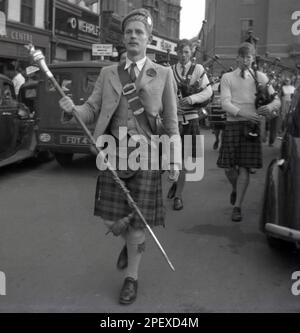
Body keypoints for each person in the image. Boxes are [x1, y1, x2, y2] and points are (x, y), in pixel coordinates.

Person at [59, 8, 181, 305]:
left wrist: (175, 160)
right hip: (113, 154)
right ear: (123, 39)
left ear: (149, 39)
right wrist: (72, 109)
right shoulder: (107, 73)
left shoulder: (163, 74)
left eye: (139, 32)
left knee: (138, 227)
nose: (133, 36)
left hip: (148, 156)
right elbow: (91, 110)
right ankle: (129, 241)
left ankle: (131, 278)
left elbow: (171, 124)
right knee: (112, 221)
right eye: (128, 32)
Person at [217, 42, 280, 222]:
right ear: (237, 58)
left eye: (249, 57)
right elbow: (225, 103)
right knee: (228, 168)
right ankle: (236, 189)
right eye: (242, 57)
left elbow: (277, 102)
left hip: (251, 127)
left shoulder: (261, 77)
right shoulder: (227, 77)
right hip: (233, 124)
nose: (245, 60)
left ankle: (237, 206)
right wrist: (244, 113)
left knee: (244, 167)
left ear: (253, 59)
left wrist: (269, 106)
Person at [167, 39, 213, 210]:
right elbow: (163, 94)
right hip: (173, 121)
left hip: (191, 119)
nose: (183, 55)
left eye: (186, 52)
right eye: (180, 52)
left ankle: (178, 196)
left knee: (186, 161)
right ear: (176, 53)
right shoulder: (169, 71)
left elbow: (208, 91)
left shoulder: (198, 69)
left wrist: (191, 99)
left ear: (191, 53)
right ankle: (177, 185)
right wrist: (171, 108)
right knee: (173, 160)